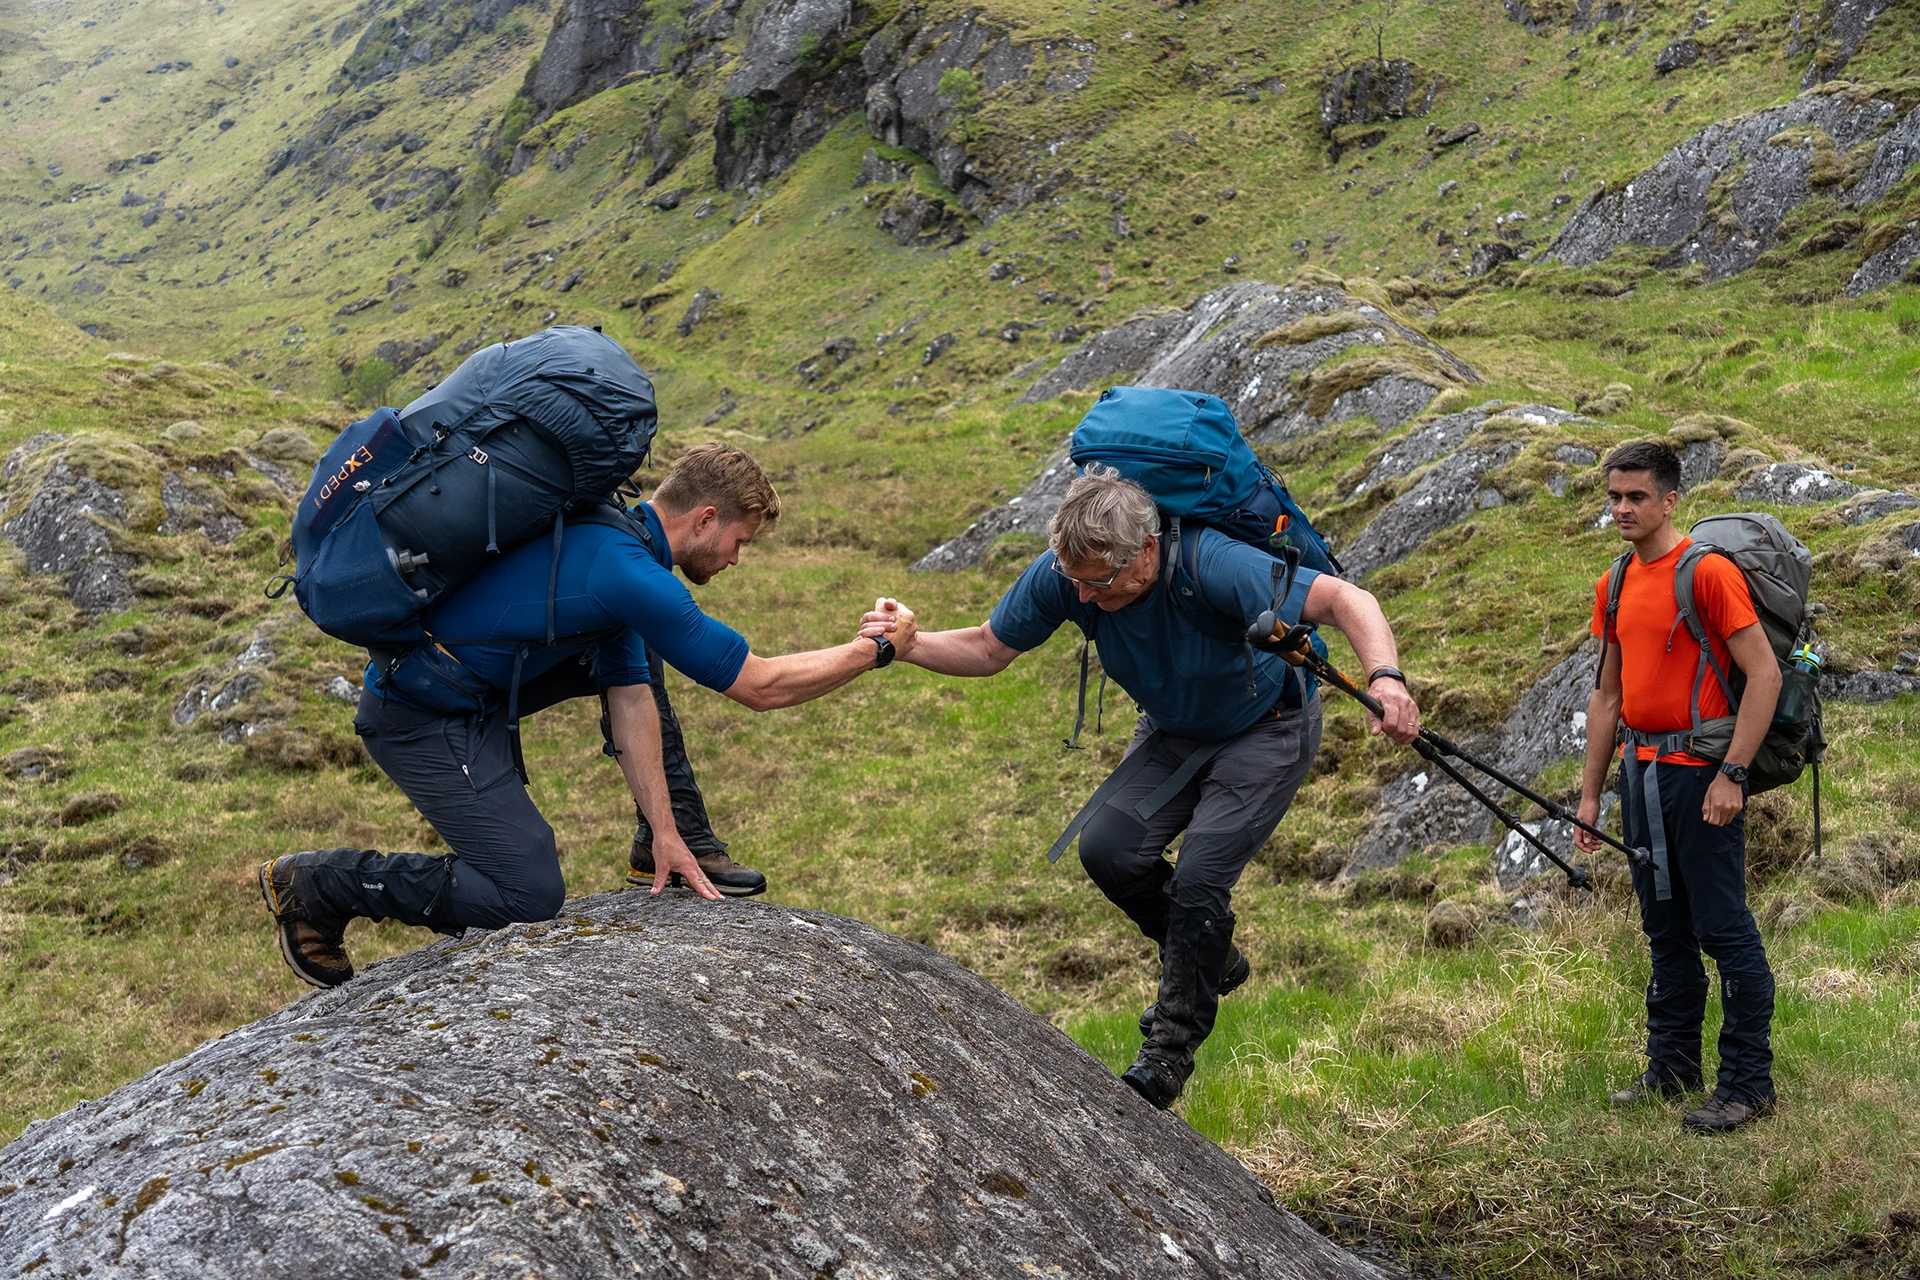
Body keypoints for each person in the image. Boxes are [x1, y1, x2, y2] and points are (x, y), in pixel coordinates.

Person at [867, 464, 1421, 1109]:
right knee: (1108, 850)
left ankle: (1169, 1047)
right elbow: (990, 648)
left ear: (1147, 551)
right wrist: (909, 646)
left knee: (1199, 879)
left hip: (1267, 728)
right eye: (1073, 579)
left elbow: (1348, 599)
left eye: (1098, 581)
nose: (1082, 596)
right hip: (1172, 732)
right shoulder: (1068, 574)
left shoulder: (1213, 562)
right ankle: (1211, 958)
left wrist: (1385, 678)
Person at [259, 443, 914, 989]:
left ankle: (675, 836)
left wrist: (664, 831)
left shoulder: (614, 537)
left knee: (639, 665)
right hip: (418, 717)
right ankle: (321, 884)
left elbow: (631, 698)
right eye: (739, 541)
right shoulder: (627, 572)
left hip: (472, 703)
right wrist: (877, 649)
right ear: (706, 518)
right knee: (528, 893)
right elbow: (760, 686)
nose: (737, 559)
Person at [1575, 440, 1781, 1133]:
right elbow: (1607, 697)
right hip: (1641, 779)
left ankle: (1749, 1084)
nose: (1623, 508)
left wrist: (1732, 774)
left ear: (1670, 500)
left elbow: (1766, 676)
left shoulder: (1708, 574)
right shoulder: (1614, 582)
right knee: (1664, 930)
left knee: (1725, 931)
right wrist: (1589, 795)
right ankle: (1671, 1068)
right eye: (1614, 496)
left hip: (1701, 778)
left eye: (1636, 496)